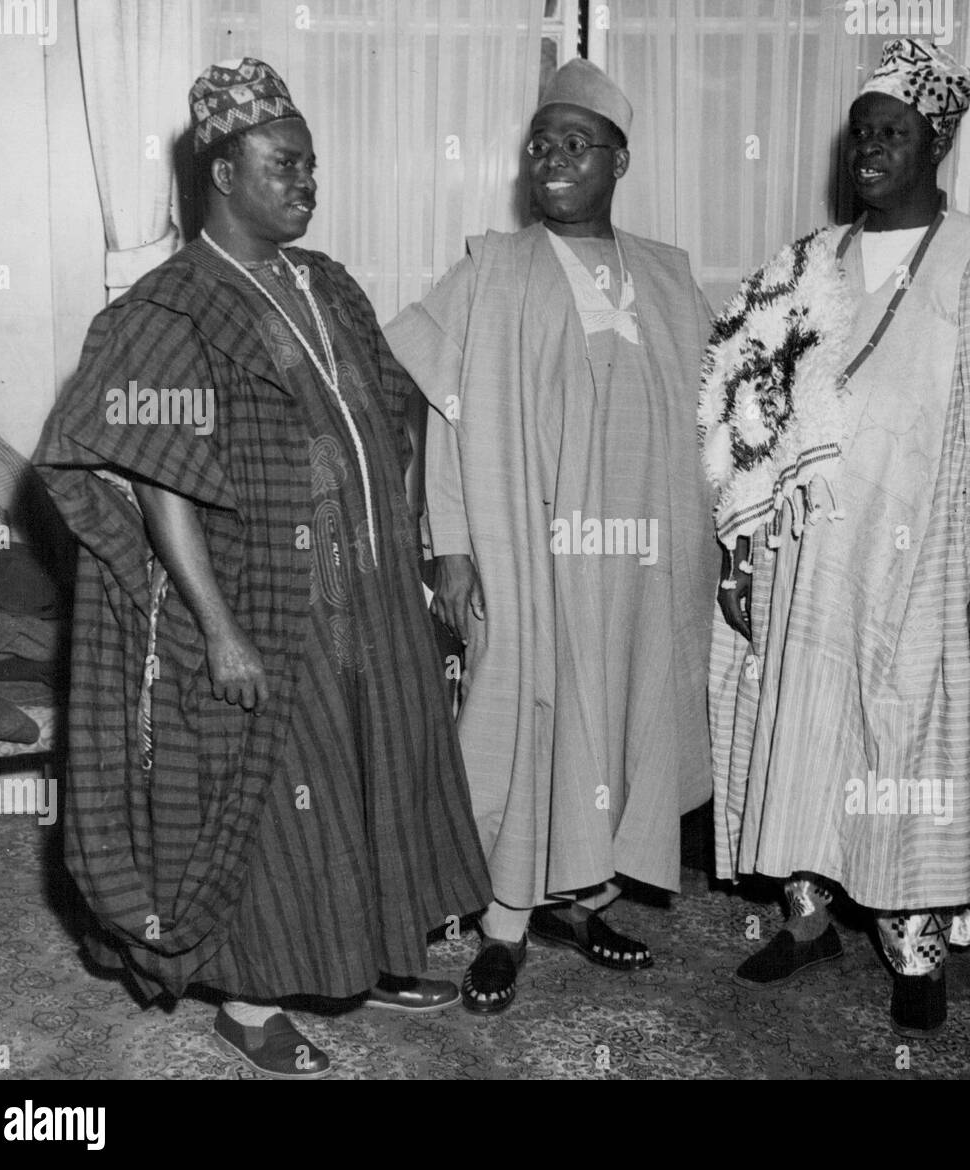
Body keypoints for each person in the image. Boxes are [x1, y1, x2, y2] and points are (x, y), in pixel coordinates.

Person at [33, 59, 491, 1078]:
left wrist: (407, 554)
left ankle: (365, 952)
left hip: (362, 592)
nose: (305, 182)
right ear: (222, 172)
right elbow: (157, 482)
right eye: (284, 165)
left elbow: (387, 410)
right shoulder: (172, 307)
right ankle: (248, 1002)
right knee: (279, 806)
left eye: (312, 166)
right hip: (260, 603)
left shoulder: (324, 282)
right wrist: (220, 629)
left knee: (374, 771)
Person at [702, 37, 970, 1036]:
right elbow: (740, 406)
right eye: (860, 131)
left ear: (934, 139)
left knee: (907, 743)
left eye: (890, 132)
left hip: (933, 552)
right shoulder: (803, 264)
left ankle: (913, 942)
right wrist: (737, 548)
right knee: (803, 727)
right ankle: (805, 913)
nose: (868, 148)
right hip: (807, 553)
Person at [384, 59, 720, 1014]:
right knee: (521, 717)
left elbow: (719, 418)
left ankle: (585, 897)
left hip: (648, 558)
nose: (553, 159)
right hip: (530, 552)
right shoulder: (494, 268)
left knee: (620, 713)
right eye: (541, 144)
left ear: (621, 160)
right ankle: (503, 920)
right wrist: (450, 546)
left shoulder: (669, 274)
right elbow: (441, 418)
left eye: (578, 144)